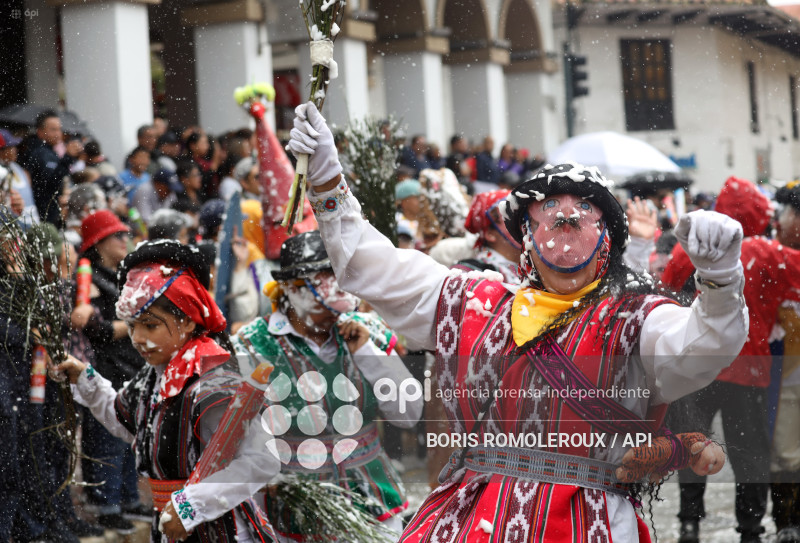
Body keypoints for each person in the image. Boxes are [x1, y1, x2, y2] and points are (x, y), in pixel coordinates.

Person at [286, 102, 749, 542]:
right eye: (549, 214)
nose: (565, 220)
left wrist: (722, 283)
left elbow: (701, 348)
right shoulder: (473, 301)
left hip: (589, 525)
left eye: (582, 214)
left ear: (606, 239)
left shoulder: (631, 319)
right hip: (472, 521)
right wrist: (328, 180)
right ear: (525, 237)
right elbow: (369, 266)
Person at [57, 240, 278, 543]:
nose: (138, 338)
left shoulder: (213, 379)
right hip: (169, 527)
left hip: (219, 529)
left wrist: (190, 507)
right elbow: (125, 421)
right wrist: (86, 379)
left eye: (150, 326)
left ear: (187, 320)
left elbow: (259, 460)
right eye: (132, 326)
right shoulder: (154, 376)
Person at [233, 230, 422, 540]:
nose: (336, 296)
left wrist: (366, 353)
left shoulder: (368, 331)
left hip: (375, 502)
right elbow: (240, 442)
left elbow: (409, 415)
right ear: (291, 290)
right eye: (322, 282)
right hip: (294, 514)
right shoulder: (253, 345)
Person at [661, 176, 800, 543]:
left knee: (693, 445)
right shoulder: (769, 253)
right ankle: (750, 529)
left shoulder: (686, 249)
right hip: (750, 370)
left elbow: (665, 293)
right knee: (750, 455)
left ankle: (689, 522)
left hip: (697, 368)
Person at [76, 210, 147, 533]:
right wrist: (139, 324)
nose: (125, 239)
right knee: (106, 435)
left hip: (129, 364)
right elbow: (97, 330)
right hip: (103, 367)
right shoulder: (86, 274)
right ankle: (106, 505)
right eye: (117, 235)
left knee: (130, 436)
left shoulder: (122, 275)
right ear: (99, 242)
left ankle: (129, 499)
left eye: (125, 234)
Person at [768, 182, 800, 542]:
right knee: (786, 456)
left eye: (789, 214)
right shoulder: (770, 258)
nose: (782, 221)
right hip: (784, 377)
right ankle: (787, 520)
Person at [20, 109, 82, 227]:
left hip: (49, 214)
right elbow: (50, 183)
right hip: (44, 217)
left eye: (59, 129)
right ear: (40, 131)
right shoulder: (39, 153)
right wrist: (68, 157)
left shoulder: (48, 151)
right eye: (53, 129)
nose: (58, 133)